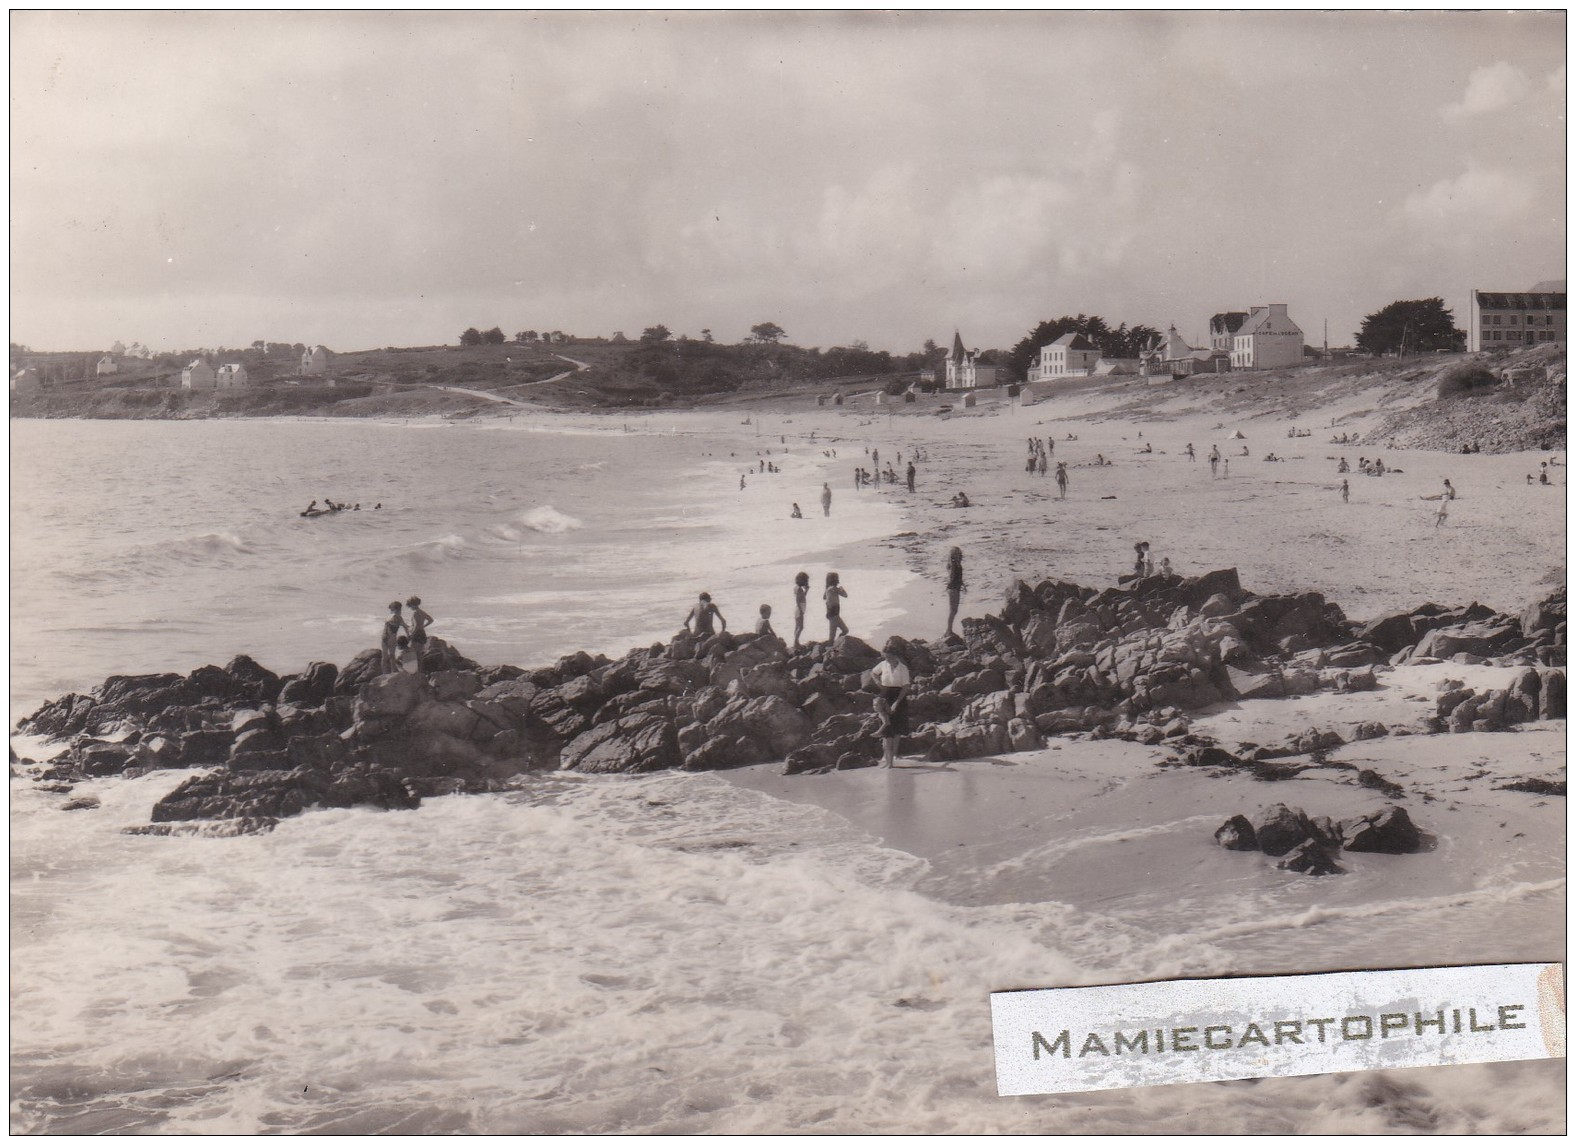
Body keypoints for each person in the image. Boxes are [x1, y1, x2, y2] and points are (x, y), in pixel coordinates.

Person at [871, 641, 911, 769]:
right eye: (884, 657)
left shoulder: (903, 668)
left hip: (899, 695)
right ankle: (887, 758)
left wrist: (896, 703)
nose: (886, 659)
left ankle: (893, 755)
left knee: (898, 727)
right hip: (885, 694)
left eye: (888, 657)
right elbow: (873, 672)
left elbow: (906, 687)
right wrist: (878, 681)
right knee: (886, 727)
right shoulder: (883, 664)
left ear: (895, 655)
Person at [406, 597, 433, 672]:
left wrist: (411, 635)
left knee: (413, 653)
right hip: (422, 633)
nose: (410, 607)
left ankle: (414, 672)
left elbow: (416, 625)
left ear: (412, 605)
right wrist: (423, 626)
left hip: (416, 634)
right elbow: (431, 620)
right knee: (419, 654)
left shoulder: (415, 613)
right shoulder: (422, 612)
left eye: (410, 605)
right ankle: (420, 671)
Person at [381, 600, 406, 673]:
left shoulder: (394, 617)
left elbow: (404, 626)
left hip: (386, 637)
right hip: (389, 637)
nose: (399, 611)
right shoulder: (397, 617)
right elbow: (405, 626)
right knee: (390, 656)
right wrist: (408, 634)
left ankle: (387, 672)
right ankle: (389, 672)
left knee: (386, 657)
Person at [945, 546, 965, 637]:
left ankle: (949, 630)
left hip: (955, 588)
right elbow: (952, 577)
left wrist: (962, 585)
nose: (960, 555)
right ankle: (948, 630)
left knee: (954, 610)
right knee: (953, 610)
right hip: (953, 589)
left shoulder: (957, 564)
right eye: (957, 553)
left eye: (959, 553)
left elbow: (958, 577)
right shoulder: (953, 565)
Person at [824, 572, 849, 641]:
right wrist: (842, 589)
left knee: (835, 633)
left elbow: (824, 597)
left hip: (831, 613)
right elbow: (845, 595)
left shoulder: (828, 589)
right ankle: (834, 646)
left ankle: (835, 645)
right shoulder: (834, 589)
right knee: (842, 631)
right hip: (834, 614)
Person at [792, 571, 809, 649]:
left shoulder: (797, 588)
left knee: (797, 626)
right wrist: (801, 610)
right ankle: (796, 642)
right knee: (800, 627)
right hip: (799, 609)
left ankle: (796, 642)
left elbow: (802, 597)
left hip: (798, 608)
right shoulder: (799, 589)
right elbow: (798, 600)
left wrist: (806, 591)